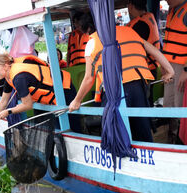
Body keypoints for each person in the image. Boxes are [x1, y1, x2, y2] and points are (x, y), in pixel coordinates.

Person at [68, 13, 174, 143]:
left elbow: (89, 78)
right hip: (139, 88)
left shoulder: (92, 42)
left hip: (116, 92)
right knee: (142, 132)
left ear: (88, 29)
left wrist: (77, 100)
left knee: (116, 136)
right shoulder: (129, 31)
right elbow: (155, 51)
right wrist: (169, 71)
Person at [0, 54, 81, 133]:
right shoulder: (8, 78)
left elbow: (27, 105)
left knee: (73, 126)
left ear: (5, 66)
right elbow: (4, 101)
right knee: (57, 128)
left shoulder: (18, 78)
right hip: (52, 96)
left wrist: (8, 111)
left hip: (64, 90)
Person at [162, 0, 187, 144]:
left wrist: (185, 69)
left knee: (179, 105)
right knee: (168, 104)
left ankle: (180, 142)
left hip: (181, 67)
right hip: (169, 67)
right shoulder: (172, 11)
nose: (166, 0)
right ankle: (170, 139)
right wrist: (163, 64)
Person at [127, 0, 161, 79]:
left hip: (147, 70)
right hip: (154, 66)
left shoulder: (139, 25)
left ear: (131, 6)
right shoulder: (148, 17)